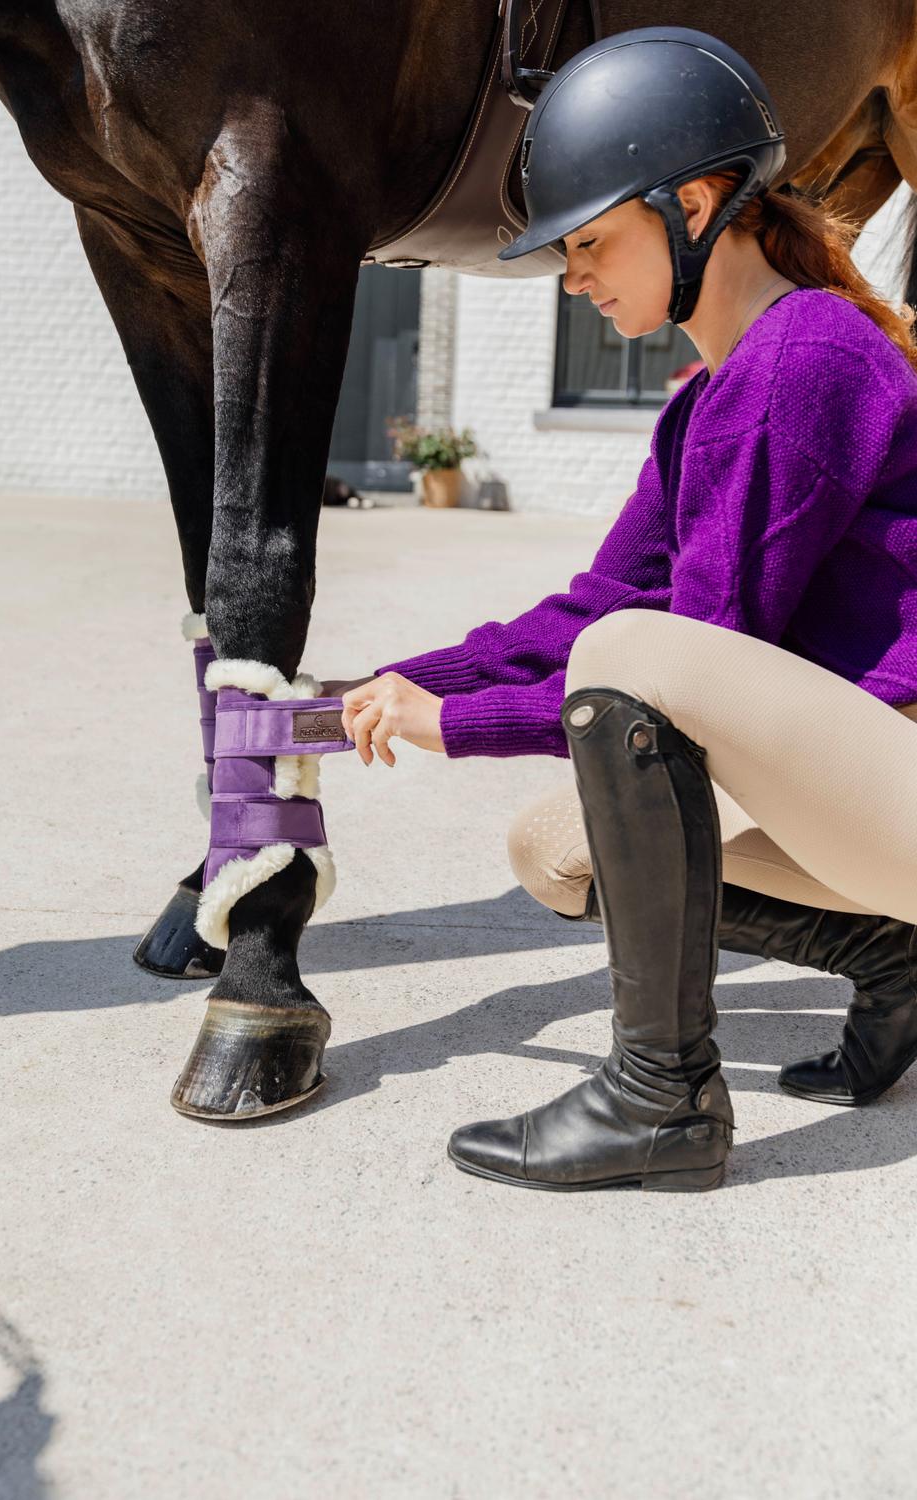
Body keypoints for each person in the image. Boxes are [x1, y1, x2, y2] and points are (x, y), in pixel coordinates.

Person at [325, 26, 917, 1192]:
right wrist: (400, 683)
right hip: (868, 792)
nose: (574, 277)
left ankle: (661, 1097)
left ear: (692, 205)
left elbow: (684, 657)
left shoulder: (804, 358)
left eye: (591, 241)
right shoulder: (711, 396)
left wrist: (459, 727)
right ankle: (894, 959)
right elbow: (593, 603)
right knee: (556, 850)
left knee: (634, 663)